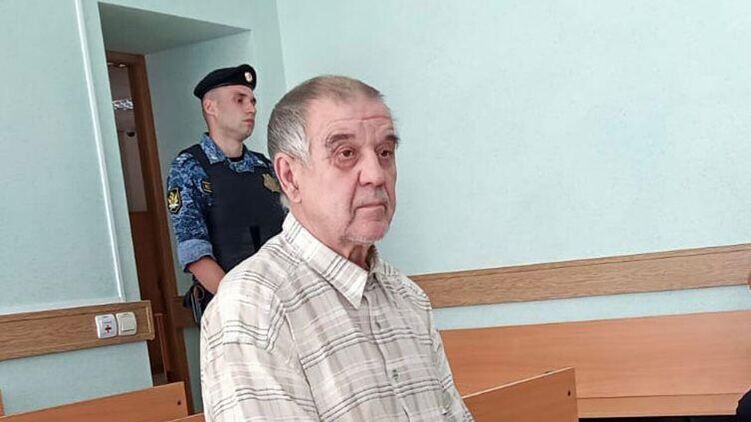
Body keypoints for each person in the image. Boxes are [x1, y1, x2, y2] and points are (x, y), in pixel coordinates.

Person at [200, 75, 473, 421]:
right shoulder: (252, 308)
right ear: (289, 177)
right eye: (346, 154)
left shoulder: (408, 298)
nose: (376, 175)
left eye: (385, 153)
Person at [166, 64, 285, 322]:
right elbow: (195, 253)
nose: (251, 108)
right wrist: (243, 306)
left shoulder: (264, 166)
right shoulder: (190, 167)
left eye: (252, 101)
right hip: (234, 311)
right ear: (211, 107)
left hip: (285, 300)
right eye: (239, 100)